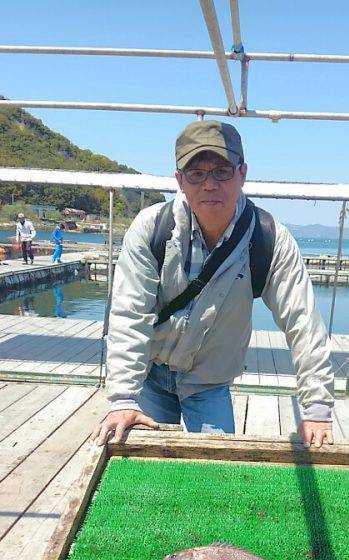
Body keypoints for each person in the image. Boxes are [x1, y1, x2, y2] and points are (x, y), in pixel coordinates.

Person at [91, 120, 334, 448]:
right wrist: (122, 399)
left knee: (219, 472)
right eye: (196, 173)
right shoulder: (151, 229)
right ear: (180, 180)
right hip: (149, 375)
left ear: (242, 173)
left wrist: (316, 406)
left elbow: (303, 321)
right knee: (143, 471)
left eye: (222, 171)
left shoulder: (269, 239)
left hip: (209, 381)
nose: (209, 185)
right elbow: (128, 316)